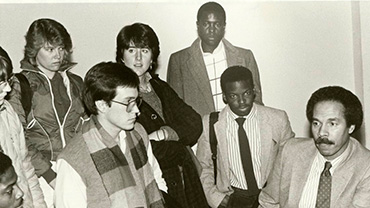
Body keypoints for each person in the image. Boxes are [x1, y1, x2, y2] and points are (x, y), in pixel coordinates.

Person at [116, 22, 208, 208]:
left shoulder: (159, 86)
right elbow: (131, 146)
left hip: (185, 178)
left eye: (145, 50)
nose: (139, 58)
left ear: (153, 56)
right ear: (122, 55)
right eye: (132, 50)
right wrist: (175, 145)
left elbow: (194, 123)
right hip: (151, 181)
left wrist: (163, 134)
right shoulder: (117, 93)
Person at [55, 62, 166, 208]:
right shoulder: (73, 159)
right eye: (128, 103)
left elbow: (157, 180)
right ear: (102, 105)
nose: (136, 111)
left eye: (136, 101)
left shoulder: (138, 133)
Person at [7, 18, 85, 207]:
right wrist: (49, 175)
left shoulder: (76, 83)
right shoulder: (20, 85)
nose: (58, 55)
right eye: (50, 49)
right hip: (41, 173)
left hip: (76, 168)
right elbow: (18, 138)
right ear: (34, 51)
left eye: (61, 48)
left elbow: (88, 126)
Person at [196, 66, 294, 208]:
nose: (242, 101)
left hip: (270, 197)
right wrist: (217, 199)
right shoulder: (210, 123)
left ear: (254, 91)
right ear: (224, 96)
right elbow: (203, 167)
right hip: (234, 198)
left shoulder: (277, 119)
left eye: (246, 93)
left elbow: (290, 163)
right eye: (233, 96)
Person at [259, 86, 370, 207]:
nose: (322, 132)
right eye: (316, 123)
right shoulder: (290, 151)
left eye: (332, 124)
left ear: (351, 127)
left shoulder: (365, 166)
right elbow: (268, 202)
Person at [167, 1, 263, 118]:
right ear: (198, 25)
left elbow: (256, 100)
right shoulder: (179, 61)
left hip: (240, 128)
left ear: (224, 26)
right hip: (199, 133)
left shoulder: (245, 57)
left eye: (217, 24)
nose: (211, 29)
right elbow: (174, 109)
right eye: (206, 24)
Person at [0, 46, 46, 208]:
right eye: (0, 82)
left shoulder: (8, 111)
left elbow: (26, 167)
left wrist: (39, 205)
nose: (7, 88)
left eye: (9, 80)